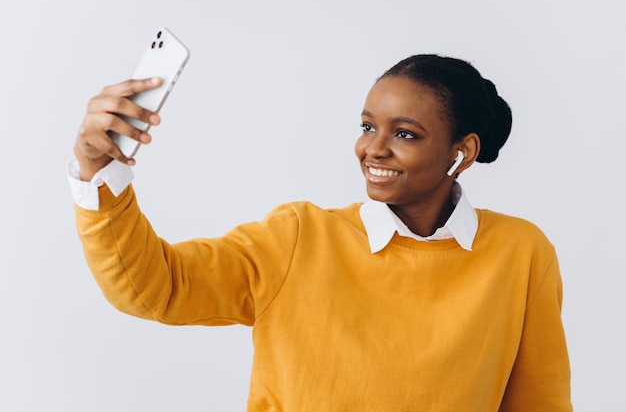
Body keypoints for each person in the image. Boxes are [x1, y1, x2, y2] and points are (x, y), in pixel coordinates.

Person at [69, 54, 573, 411]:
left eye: (404, 134)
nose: (372, 149)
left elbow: (539, 404)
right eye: (366, 125)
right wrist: (95, 168)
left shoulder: (520, 252)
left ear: (460, 152)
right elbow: (158, 286)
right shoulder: (299, 237)